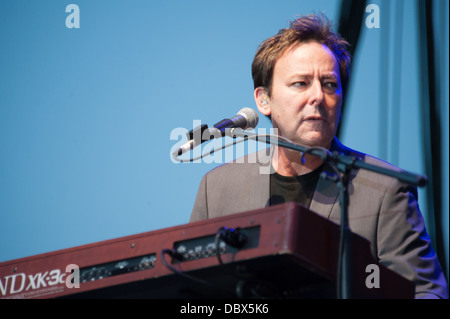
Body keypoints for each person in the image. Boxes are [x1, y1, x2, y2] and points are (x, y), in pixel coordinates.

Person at [189, 13, 448, 299]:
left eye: (329, 85)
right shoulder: (218, 189)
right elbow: (191, 292)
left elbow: (425, 293)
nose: (318, 96)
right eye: (300, 83)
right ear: (263, 100)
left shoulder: (384, 189)